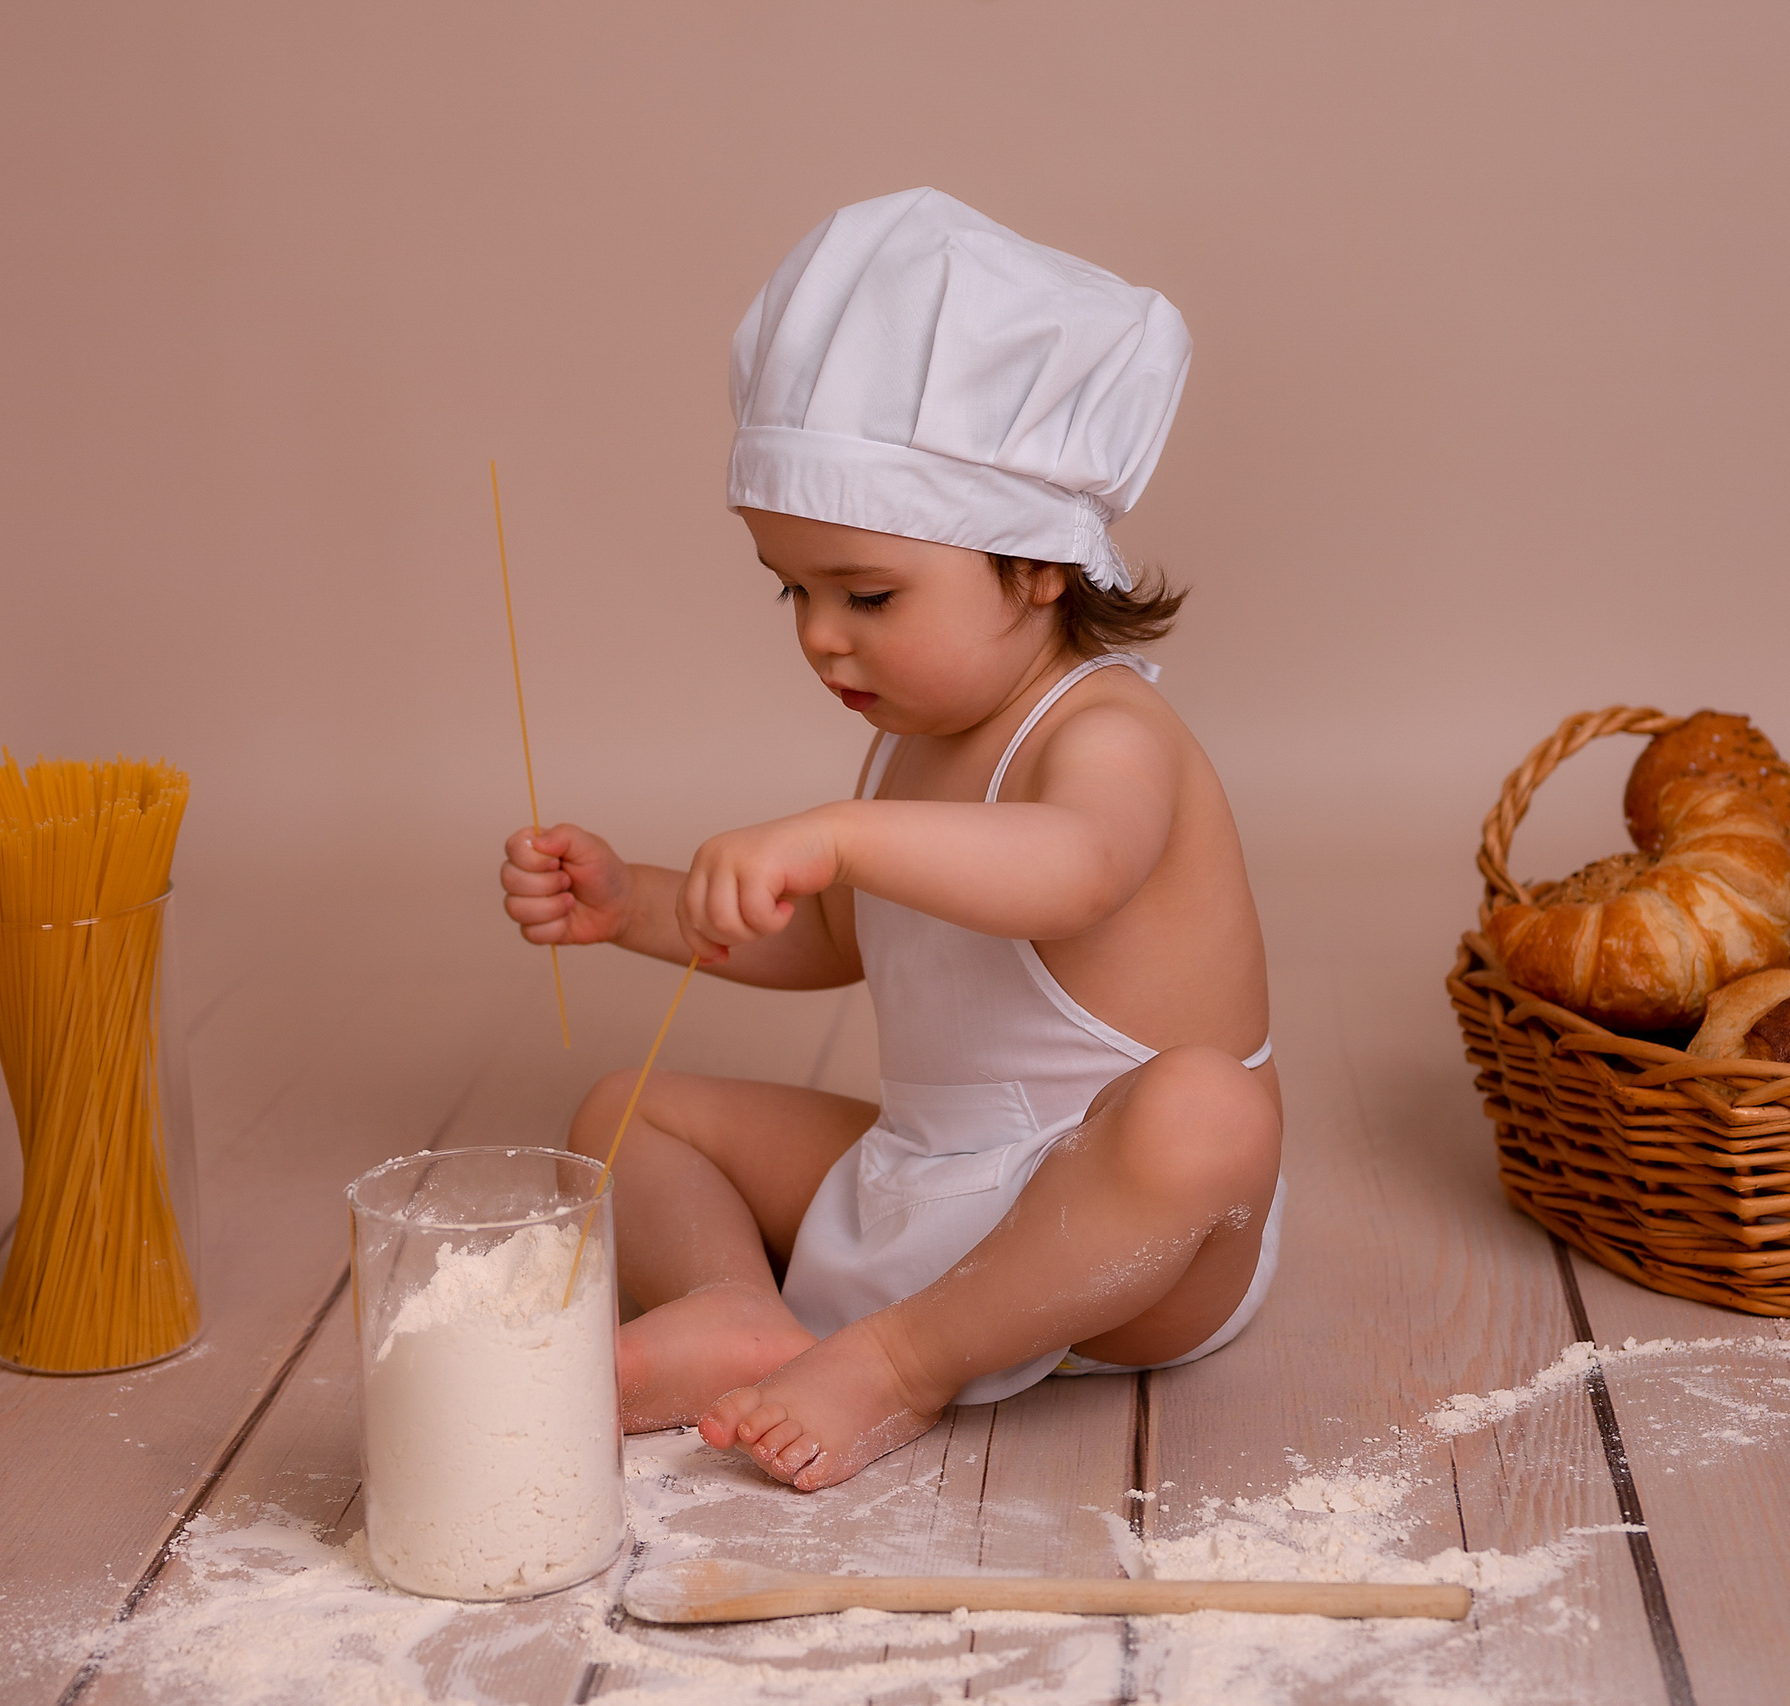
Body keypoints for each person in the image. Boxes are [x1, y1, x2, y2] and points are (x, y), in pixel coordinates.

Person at [499, 187, 1282, 1492]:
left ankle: (898, 1362)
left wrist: (845, 832)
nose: (819, 632)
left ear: (1038, 565)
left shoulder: (1105, 739)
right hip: (929, 1174)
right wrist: (629, 900)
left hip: (1119, 1241)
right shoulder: (906, 737)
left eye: (867, 593)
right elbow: (835, 938)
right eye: (792, 589)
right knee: (627, 1111)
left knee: (1209, 1113)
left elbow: (1072, 867)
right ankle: (733, 1308)